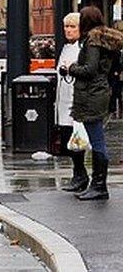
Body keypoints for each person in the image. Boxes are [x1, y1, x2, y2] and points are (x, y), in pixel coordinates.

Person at [62, 6, 123, 201]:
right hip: (99, 92)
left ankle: (99, 185)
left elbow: (89, 69)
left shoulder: (92, 42)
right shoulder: (104, 41)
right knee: (96, 138)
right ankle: (97, 184)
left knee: (97, 140)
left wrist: (71, 68)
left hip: (92, 94)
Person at [57, 14, 81, 171]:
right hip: (63, 99)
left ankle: (80, 173)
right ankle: (77, 173)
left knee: (77, 141)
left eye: (73, 27)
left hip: (75, 100)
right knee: (68, 138)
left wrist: (71, 69)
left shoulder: (81, 49)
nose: (68, 30)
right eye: (66, 26)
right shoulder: (66, 48)